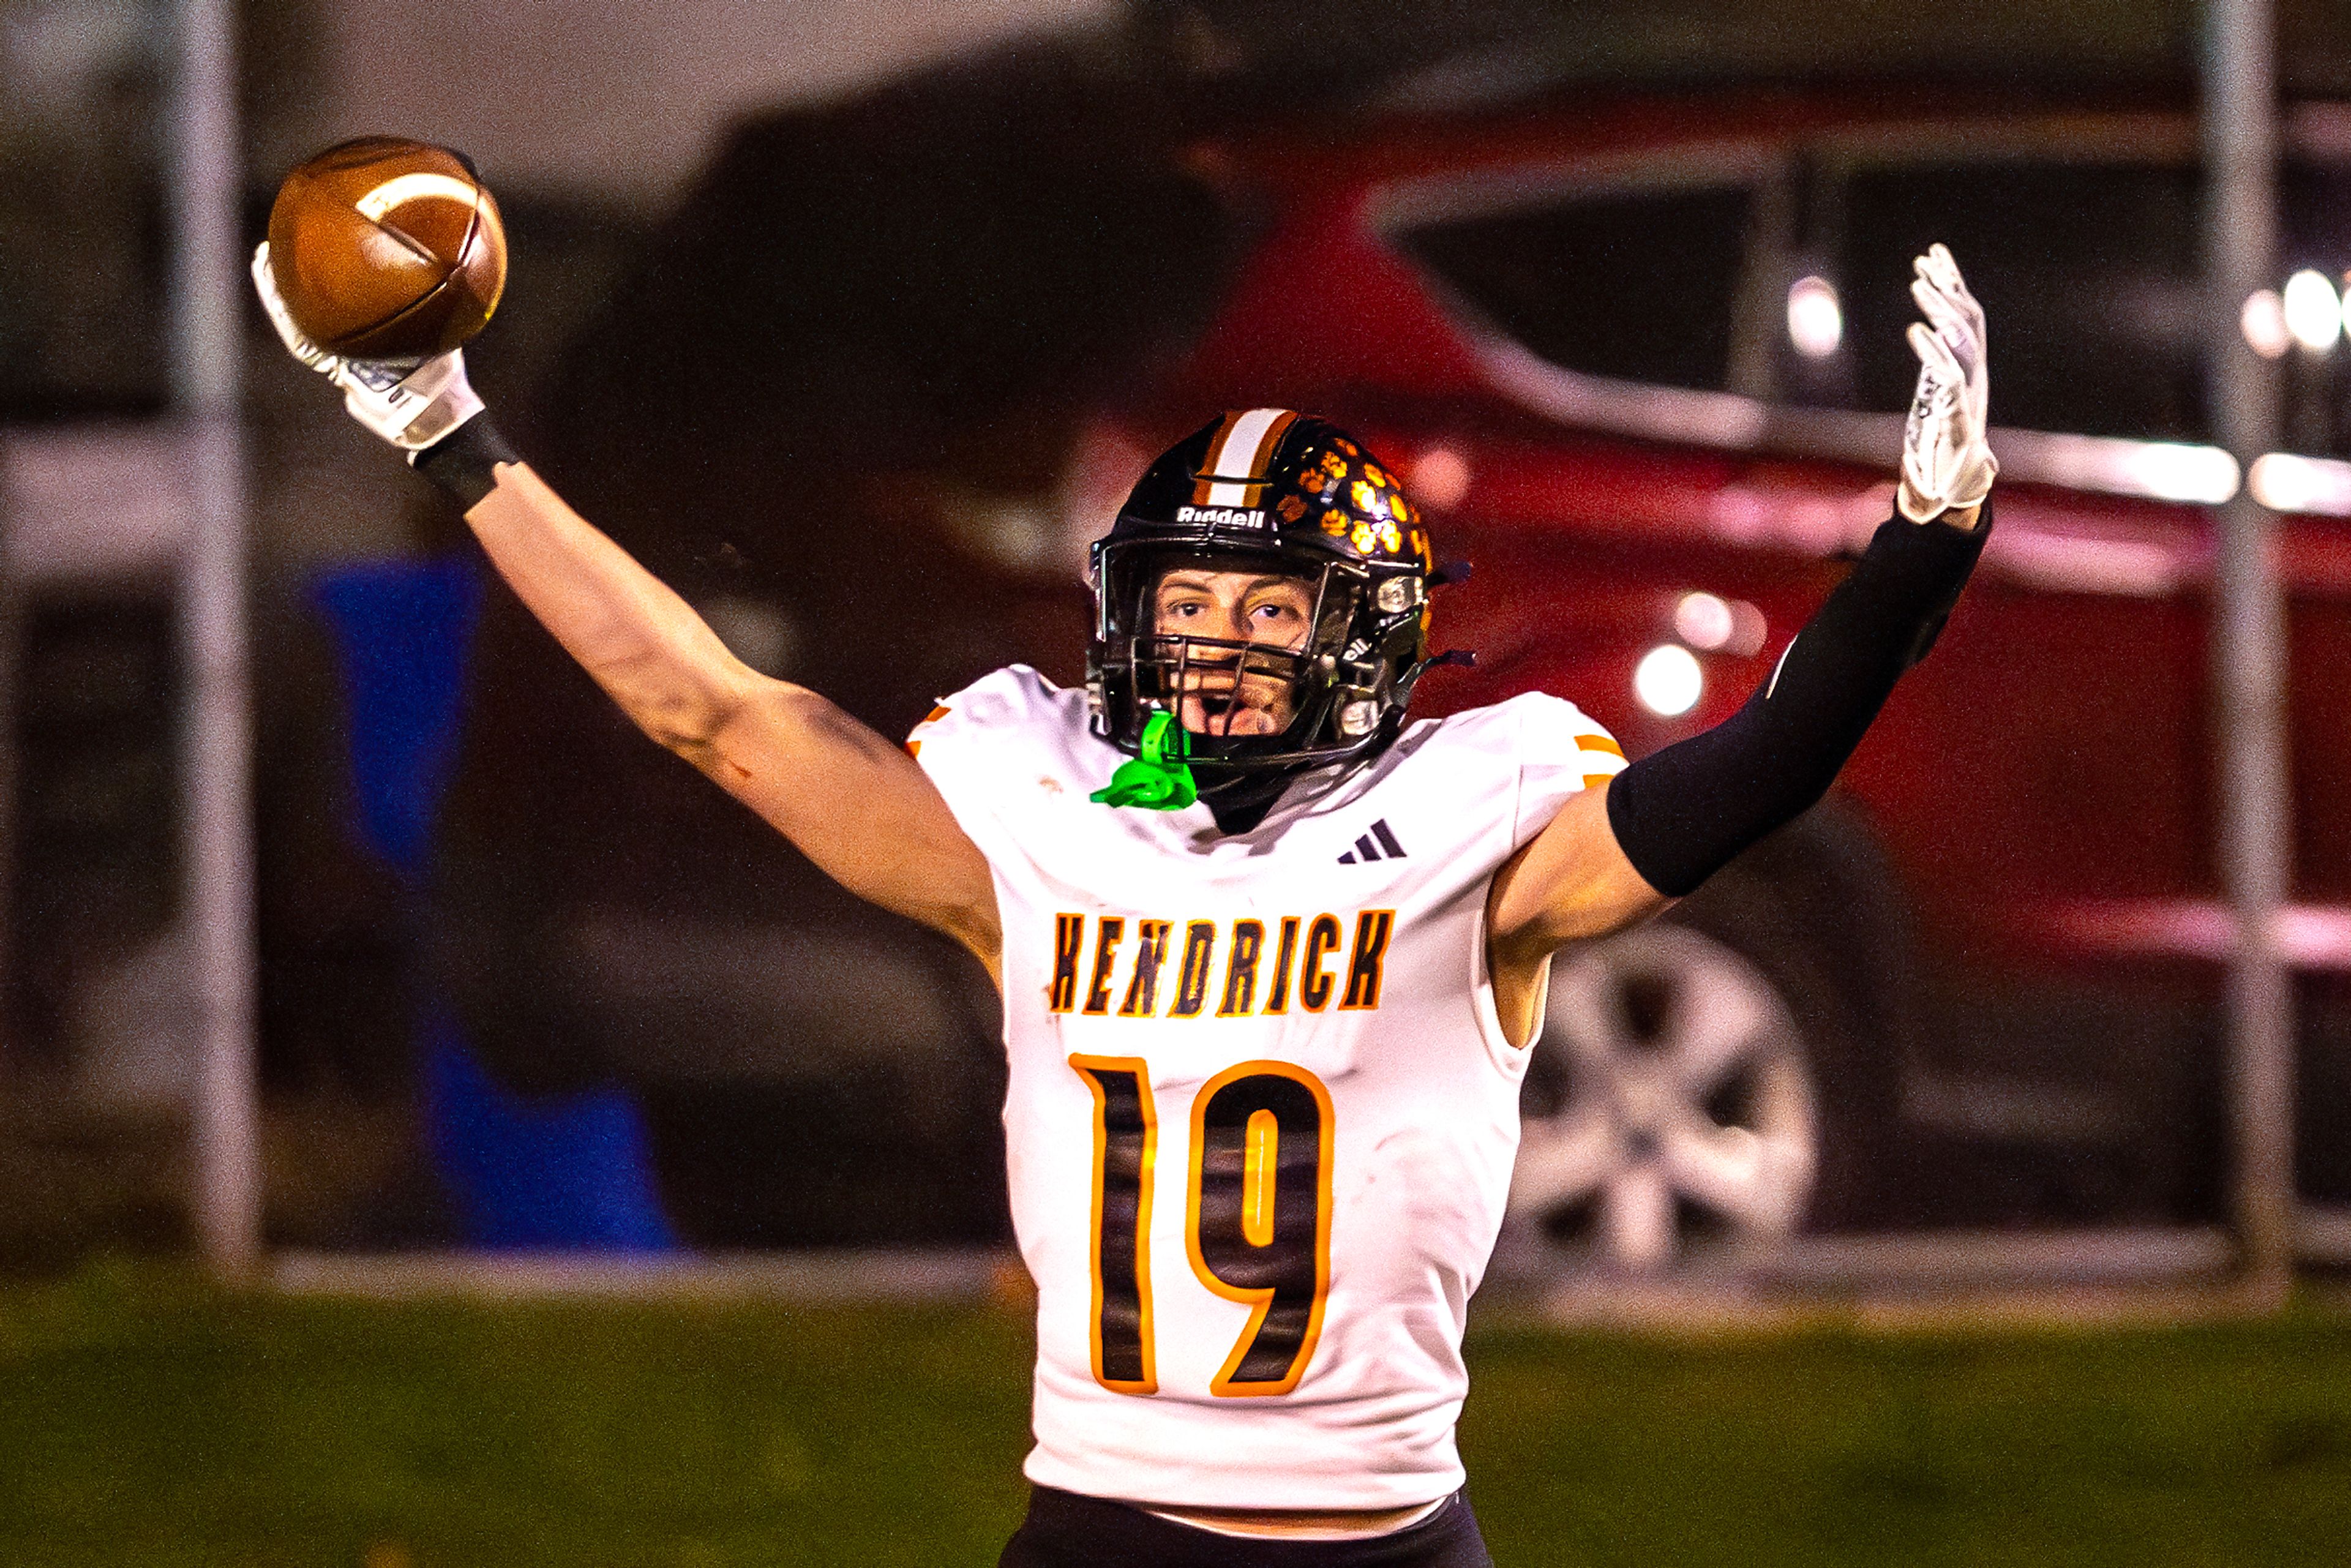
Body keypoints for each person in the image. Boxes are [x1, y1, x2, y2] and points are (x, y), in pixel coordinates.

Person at [253, 236, 1996, 1566]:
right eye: (1187, 612)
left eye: (1267, 615)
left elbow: (1761, 766)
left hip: (1375, 1533)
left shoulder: (1475, 821)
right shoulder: (1044, 817)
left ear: (1365, 639)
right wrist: (448, 430)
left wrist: (1920, 544)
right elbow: (709, 708)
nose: (1217, 654)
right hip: (1098, 1523)